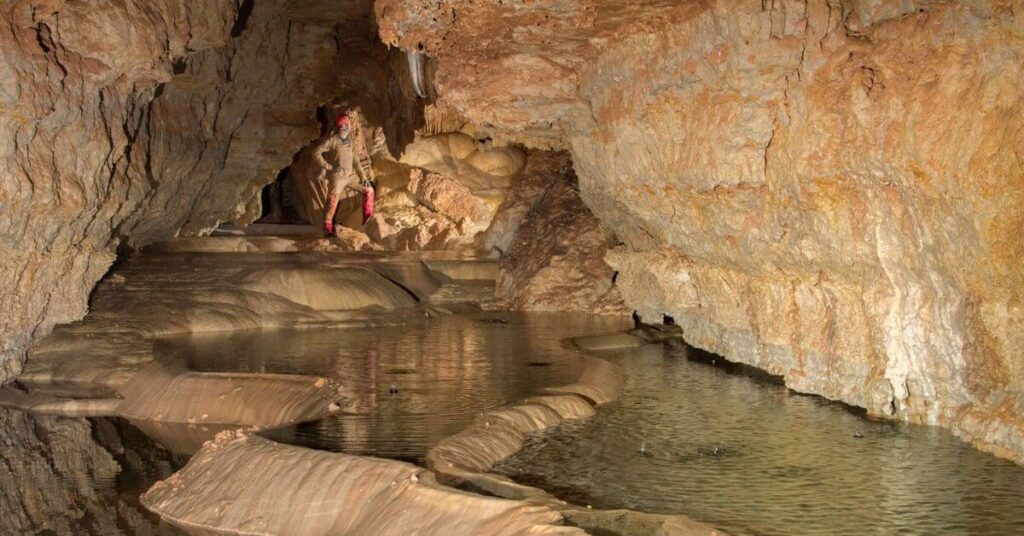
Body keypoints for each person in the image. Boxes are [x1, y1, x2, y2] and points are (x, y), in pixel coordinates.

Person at [314, 114, 370, 236]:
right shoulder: (332, 140)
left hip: (350, 175)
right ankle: (327, 227)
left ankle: (367, 218)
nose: (351, 127)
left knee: (369, 190)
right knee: (332, 202)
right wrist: (328, 166)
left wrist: (363, 176)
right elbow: (316, 152)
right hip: (338, 176)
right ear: (343, 127)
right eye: (349, 125)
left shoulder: (351, 141)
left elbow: (356, 161)